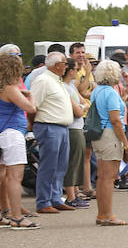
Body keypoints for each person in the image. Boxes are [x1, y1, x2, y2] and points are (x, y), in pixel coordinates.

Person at [30, 51, 76, 213]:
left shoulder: (56, 81)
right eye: (64, 64)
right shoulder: (43, 81)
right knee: (48, 165)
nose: (66, 67)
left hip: (61, 127)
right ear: (57, 65)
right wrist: (33, 124)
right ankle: (43, 201)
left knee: (60, 166)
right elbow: (33, 106)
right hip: (48, 126)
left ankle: (55, 198)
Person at [89, 59, 128, 226]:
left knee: (102, 177)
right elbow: (115, 120)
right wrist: (125, 143)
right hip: (109, 134)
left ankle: (102, 213)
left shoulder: (97, 90)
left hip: (99, 135)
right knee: (109, 178)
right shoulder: (111, 93)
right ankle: (107, 215)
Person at [0, 53, 38, 227]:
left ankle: (3, 214)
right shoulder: (10, 88)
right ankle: (17, 216)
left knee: (3, 175)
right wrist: (30, 95)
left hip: (2, 132)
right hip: (12, 132)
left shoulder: (4, 88)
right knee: (15, 177)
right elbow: (30, 108)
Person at [60, 58, 91, 208]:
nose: (78, 72)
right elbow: (79, 110)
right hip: (72, 127)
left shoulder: (71, 85)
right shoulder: (64, 87)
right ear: (71, 71)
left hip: (78, 127)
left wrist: (82, 106)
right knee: (72, 162)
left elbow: (84, 101)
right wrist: (81, 106)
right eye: (76, 69)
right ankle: (70, 196)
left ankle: (75, 192)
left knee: (77, 160)